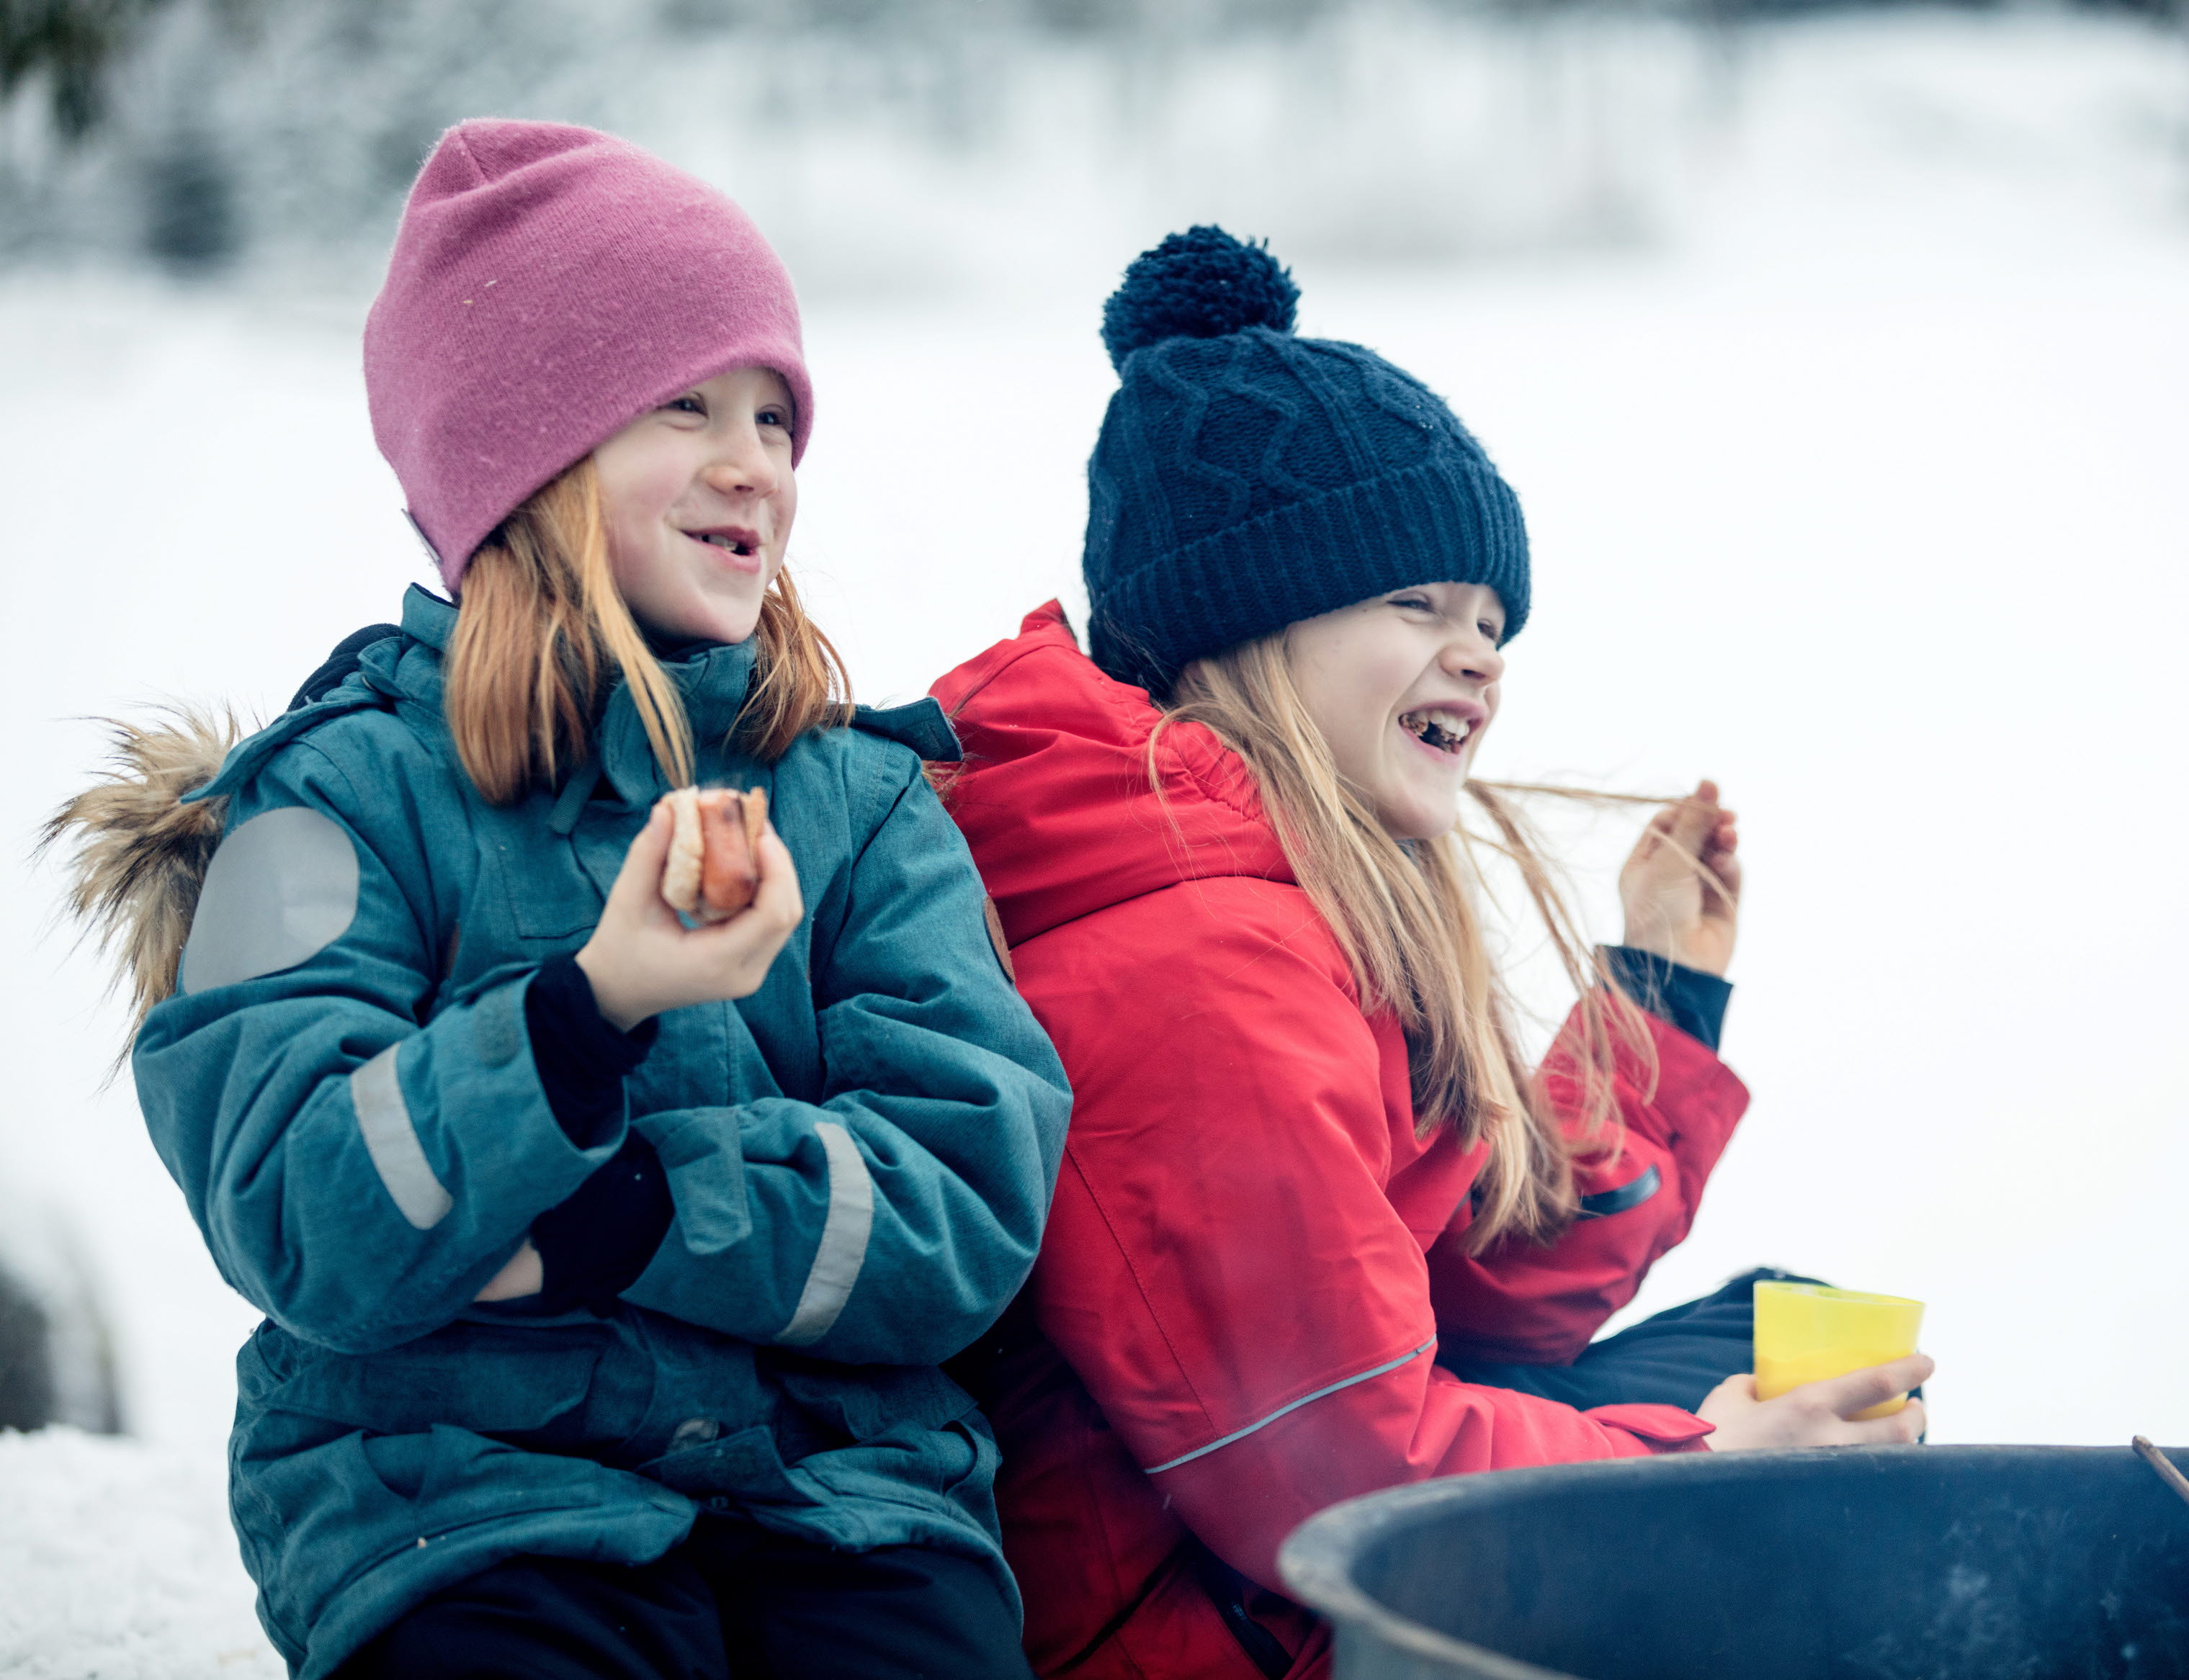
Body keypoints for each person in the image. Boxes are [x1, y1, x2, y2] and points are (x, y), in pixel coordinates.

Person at [48, 120, 1070, 1680]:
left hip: (845, 1499)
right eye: (685, 405)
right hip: (459, 1508)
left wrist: (626, 1214)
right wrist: (576, 1020)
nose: (757, 465)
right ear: (525, 457)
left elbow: (970, 1194)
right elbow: (298, 1210)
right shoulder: (330, 805)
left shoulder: (862, 809)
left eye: (776, 419)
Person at [928, 227, 1932, 1679]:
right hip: (1209, 1633)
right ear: (1244, 618)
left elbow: (1468, 1285)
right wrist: (1704, 1467)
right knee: (1802, 1487)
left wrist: (1653, 999)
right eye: (1414, 605)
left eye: (1488, 623)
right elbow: (1342, 1475)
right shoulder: (1196, 960)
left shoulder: (1266, 892)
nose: (1478, 658)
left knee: (1801, 1342)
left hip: (1271, 1565)